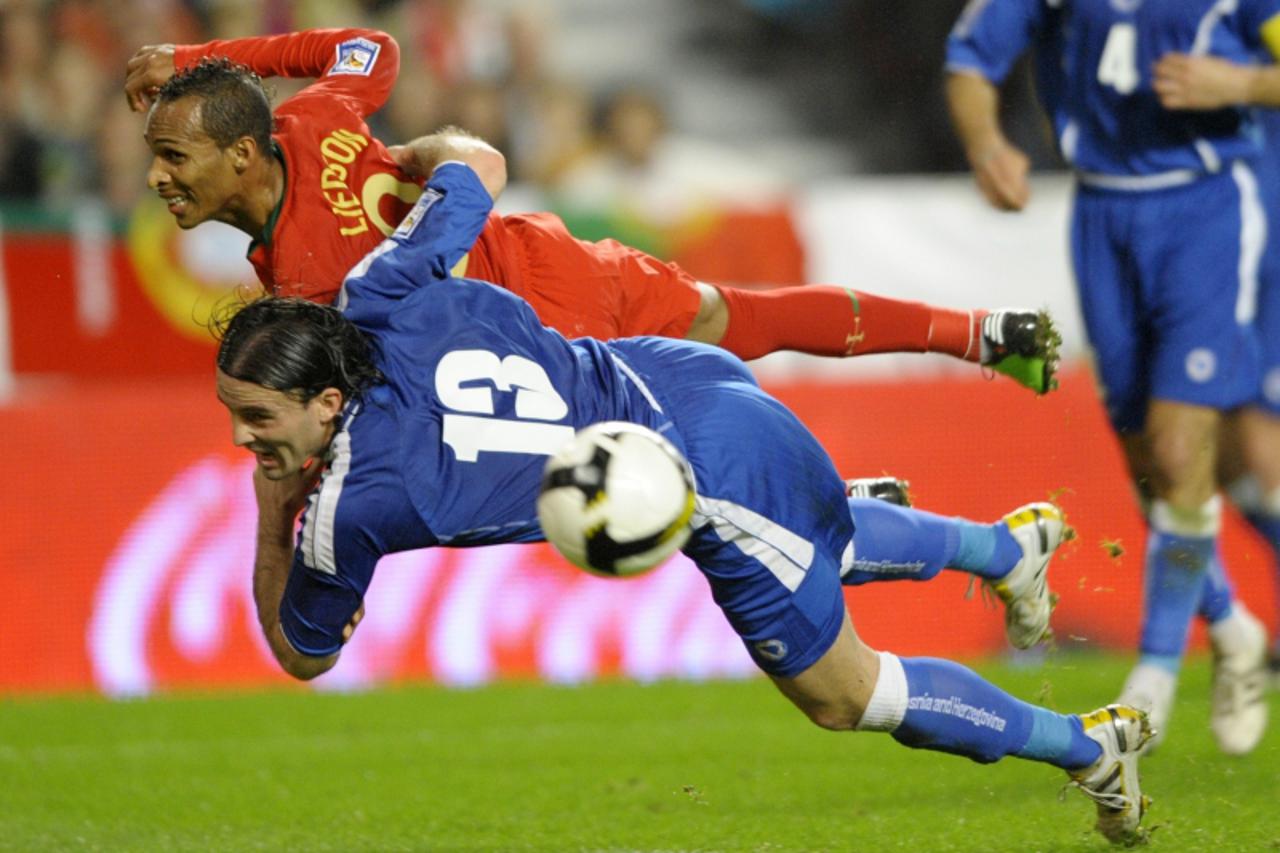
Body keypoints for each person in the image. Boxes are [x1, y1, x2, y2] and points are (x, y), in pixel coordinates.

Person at [214, 158, 1152, 844]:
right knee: (816, 530)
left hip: (694, 473)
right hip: (685, 375)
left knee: (844, 694)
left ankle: (1088, 748)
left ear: (326, 399)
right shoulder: (381, 286)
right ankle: (1003, 550)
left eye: (257, 417)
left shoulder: (351, 505)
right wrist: (412, 161)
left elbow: (301, 652)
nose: (246, 439)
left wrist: (271, 506)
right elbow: (478, 166)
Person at [124, 27, 1060, 393]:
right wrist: (210, 53)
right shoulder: (314, 117)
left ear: (241, 155)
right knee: (741, 317)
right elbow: (370, 50)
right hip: (548, 256)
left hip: (534, 350)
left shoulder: (306, 284)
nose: (160, 177)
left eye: (173, 155)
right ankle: (977, 333)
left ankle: (860, 509)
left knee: (662, 485)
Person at [945, 0, 1275, 754]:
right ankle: (1231, 624)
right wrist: (986, 141)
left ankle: (1152, 678)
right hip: (1101, 217)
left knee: (1179, 444)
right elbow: (970, 58)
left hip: (1209, 208)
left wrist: (1241, 82)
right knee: (1146, 462)